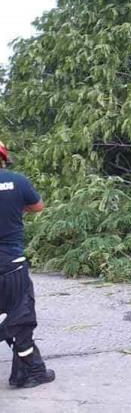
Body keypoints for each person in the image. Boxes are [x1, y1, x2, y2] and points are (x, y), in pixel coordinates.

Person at [0, 140, 55, 388]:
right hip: (12, 264)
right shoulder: (18, 181)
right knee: (19, 319)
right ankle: (33, 372)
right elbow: (38, 207)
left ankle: (32, 370)